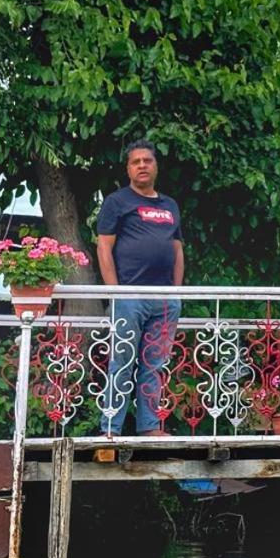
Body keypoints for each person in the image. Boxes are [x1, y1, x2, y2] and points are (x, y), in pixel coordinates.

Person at [96, 139, 185, 436]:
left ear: (156, 166)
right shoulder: (117, 202)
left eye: (147, 160)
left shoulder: (170, 205)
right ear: (128, 169)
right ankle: (111, 430)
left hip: (165, 300)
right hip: (129, 297)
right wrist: (115, 292)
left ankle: (149, 428)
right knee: (121, 363)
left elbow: (177, 249)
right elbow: (104, 248)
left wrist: (176, 292)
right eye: (136, 162)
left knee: (155, 365)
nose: (142, 165)